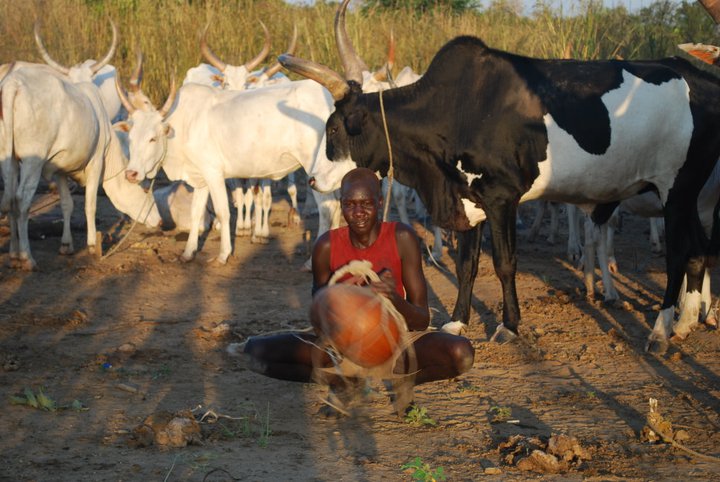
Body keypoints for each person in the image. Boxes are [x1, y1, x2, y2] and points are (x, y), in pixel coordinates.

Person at [242, 167, 475, 416]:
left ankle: (404, 379)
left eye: (366, 203)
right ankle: (343, 383)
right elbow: (319, 322)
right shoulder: (326, 245)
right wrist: (343, 302)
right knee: (254, 353)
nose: (358, 212)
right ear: (341, 204)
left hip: (397, 343)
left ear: (380, 202)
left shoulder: (402, 237)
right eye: (350, 204)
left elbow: (422, 319)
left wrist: (392, 298)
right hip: (341, 347)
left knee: (461, 354)